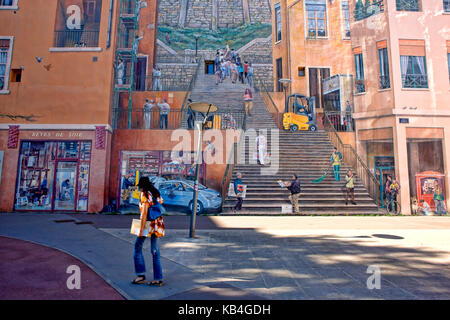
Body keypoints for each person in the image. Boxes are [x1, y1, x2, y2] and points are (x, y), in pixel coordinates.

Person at [132, 177, 164, 286]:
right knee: (155, 251)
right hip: (157, 224)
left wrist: (141, 229)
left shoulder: (145, 194)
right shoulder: (156, 193)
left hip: (148, 224)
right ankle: (158, 278)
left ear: (142, 186)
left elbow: (144, 212)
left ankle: (140, 275)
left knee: (137, 247)